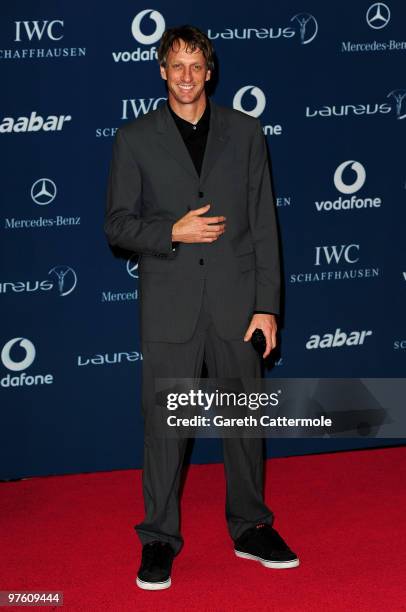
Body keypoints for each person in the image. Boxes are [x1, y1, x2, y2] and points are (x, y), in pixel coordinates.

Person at [104, 24, 299, 591]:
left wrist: (268, 306)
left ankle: (251, 528)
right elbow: (116, 226)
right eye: (176, 66)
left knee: (244, 424)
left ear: (209, 72)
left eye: (196, 66)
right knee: (165, 428)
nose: (186, 76)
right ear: (162, 72)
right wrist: (174, 230)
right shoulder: (133, 138)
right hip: (170, 307)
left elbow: (265, 222)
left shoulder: (246, 131)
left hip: (238, 306)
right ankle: (159, 540)